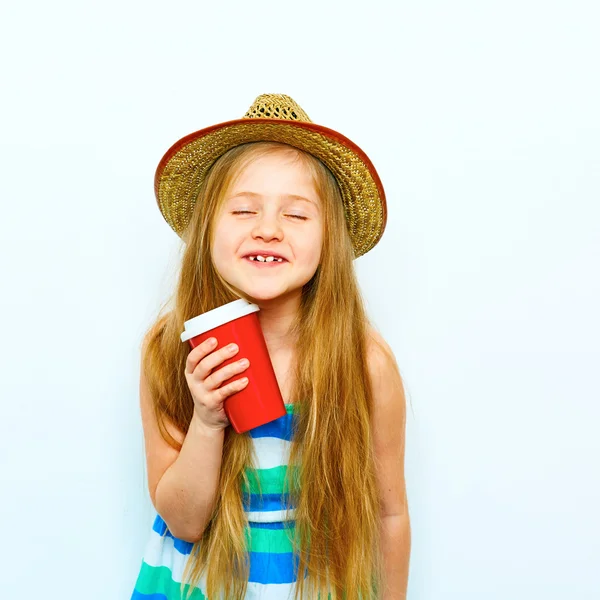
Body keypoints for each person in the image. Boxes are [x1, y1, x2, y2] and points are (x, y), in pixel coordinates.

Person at [130, 93, 410, 600]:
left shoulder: (365, 363)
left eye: (297, 216)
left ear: (329, 240)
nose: (267, 229)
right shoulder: (168, 349)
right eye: (243, 209)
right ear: (207, 229)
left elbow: (390, 515)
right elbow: (185, 521)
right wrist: (207, 418)